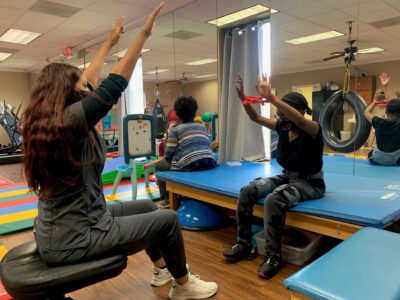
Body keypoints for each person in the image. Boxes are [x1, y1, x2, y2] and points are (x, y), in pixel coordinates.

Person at [22, 3, 218, 299]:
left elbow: (90, 77)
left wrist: (111, 41)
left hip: (66, 226)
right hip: (78, 237)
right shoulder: (71, 121)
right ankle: (184, 285)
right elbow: (114, 83)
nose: (87, 84)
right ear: (67, 90)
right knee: (168, 219)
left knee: (149, 207)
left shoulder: (49, 122)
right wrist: (143, 34)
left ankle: (162, 269)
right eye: (80, 83)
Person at [223, 74, 325, 279]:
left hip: (310, 183)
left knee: (274, 199)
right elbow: (255, 118)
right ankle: (244, 244)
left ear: (301, 112)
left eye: (284, 115)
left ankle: (273, 255)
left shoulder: (312, 130)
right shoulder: (283, 128)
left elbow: (297, 119)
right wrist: (242, 96)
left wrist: (271, 98)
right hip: (287, 176)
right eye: (279, 115)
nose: (281, 119)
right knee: (247, 190)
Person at [145, 96, 218, 208]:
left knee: (159, 166)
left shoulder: (175, 129)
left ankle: (166, 199)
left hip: (190, 163)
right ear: (195, 111)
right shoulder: (201, 126)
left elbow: (169, 153)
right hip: (210, 162)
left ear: (177, 114)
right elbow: (206, 145)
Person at [364, 81, 400, 166]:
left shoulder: (378, 122)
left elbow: (366, 112)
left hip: (378, 159)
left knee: (372, 152)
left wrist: (374, 102)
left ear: (386, 111)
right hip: (395, 160)